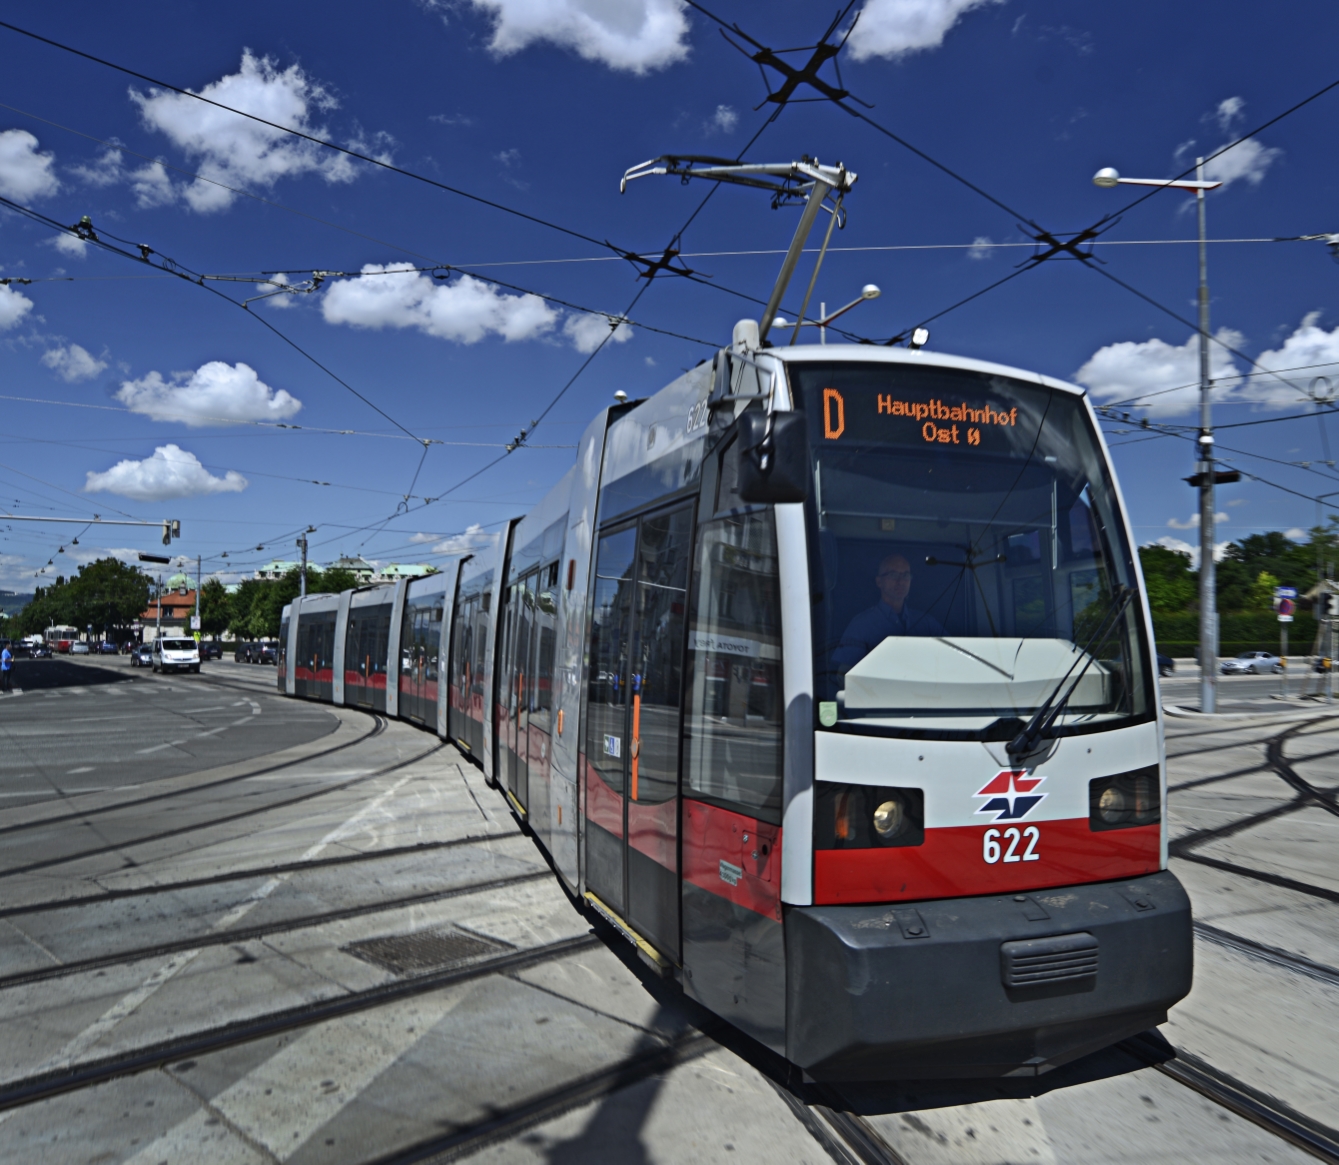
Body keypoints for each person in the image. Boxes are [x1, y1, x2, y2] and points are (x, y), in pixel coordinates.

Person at [831, 552, 944, 673]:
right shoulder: (861, 625)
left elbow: (952, 658)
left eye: (905, 575)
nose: (901, 581)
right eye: (893, 575)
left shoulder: (927, 623)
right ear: (879, 582)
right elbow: (844, 675)